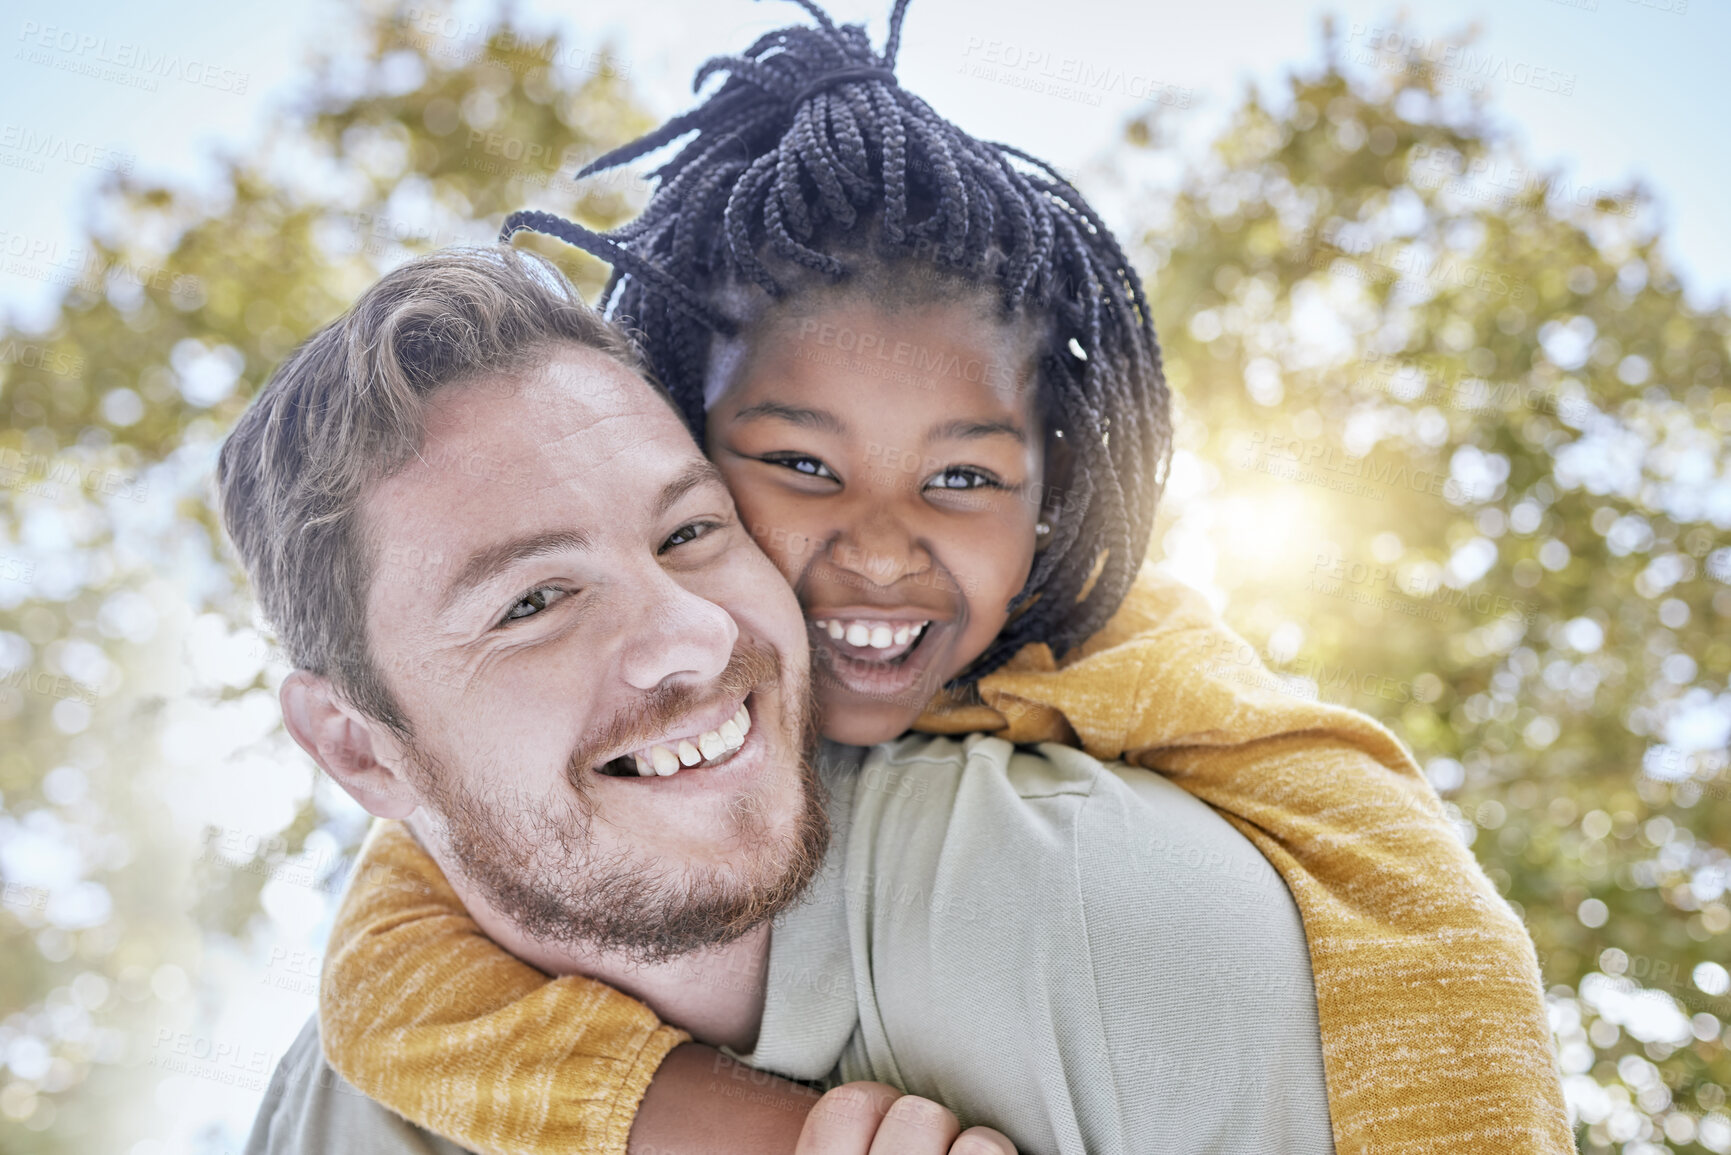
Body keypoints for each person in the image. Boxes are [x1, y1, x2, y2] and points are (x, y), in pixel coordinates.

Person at [267, 3, 1569, 1152]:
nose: (881, 550)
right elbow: (388, 971)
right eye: (791, 465)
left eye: (959, 479)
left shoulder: (1112, 680)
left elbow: (1427, 928)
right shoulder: (393, 954)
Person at [225, 245, 1335, 1155]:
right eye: (536, 600)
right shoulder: (330, 1117)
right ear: (360, 751)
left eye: (691, 532)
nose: (692, 634)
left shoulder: (1107, 923)